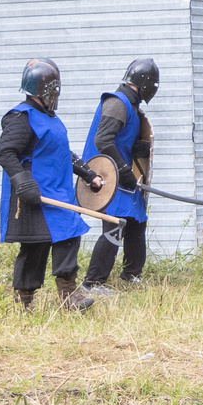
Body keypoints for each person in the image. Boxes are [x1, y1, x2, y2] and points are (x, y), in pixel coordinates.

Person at [0, 59, 94, 312]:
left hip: (58, 191)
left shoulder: (50, 119)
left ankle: (68, 295)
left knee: (70, 234)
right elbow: (6, 153)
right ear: (48, 90)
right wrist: (22, 182)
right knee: (35, 247)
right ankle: (24, 302)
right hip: (35, 193)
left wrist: (89, 174)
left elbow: (62, 153)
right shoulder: (21, 117)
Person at [81, 57, 157, 289]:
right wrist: (123, 170)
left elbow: (121, 138)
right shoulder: (118, 102)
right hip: (108, 175)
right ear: (146, 83)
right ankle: (92, 282)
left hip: (122, 173)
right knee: (115, 223)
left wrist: (138, 147)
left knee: (137, 220)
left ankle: (131, 276)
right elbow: (103, 140)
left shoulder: (131, 106)